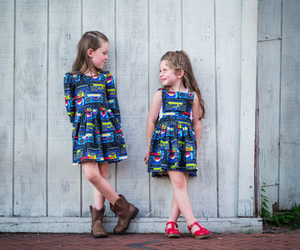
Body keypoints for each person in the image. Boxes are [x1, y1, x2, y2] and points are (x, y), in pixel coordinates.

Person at [64, 31, 139, 238]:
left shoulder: (106, 77)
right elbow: (71, 109)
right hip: (85, 132)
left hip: (106, 128)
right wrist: (82, 128)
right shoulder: (71, 78)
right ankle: (124, 208)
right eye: (104, 53)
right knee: (92, 174)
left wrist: (116, 129)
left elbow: (113, 105)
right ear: (90, 52)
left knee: (102, 176)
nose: (107, 57)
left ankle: (97, 222)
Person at [144, 50, 211, 239]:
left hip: (185, 147)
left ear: (180, 73)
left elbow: (196, 124)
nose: (161, 74)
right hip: (165, 146)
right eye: (160, 70)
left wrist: (194, 149)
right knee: (179, 183)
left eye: (165, 70)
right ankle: (193, 224)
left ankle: (171, 224)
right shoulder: (160, 95)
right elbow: (151, 122)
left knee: (180, 185)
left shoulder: (192, 97)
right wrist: (150, 148)